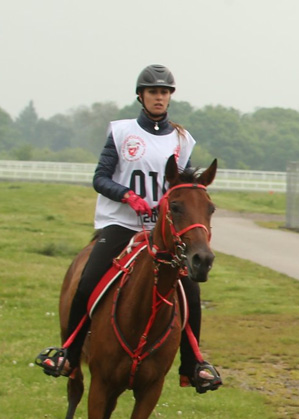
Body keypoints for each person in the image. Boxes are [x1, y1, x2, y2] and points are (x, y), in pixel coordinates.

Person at [35, 64, 221, 392]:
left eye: (164, 92)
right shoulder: (122, 133)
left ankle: (194, 364)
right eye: (153, 92)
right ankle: (69, 352)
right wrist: (126, 196)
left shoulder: (182, 140)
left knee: (190, 289)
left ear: (169, 98)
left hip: (162, 230)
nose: (159, 97)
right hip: (121, 223)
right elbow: (100, 177)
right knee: (89, 278)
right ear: (141, 96)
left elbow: (184, 184)